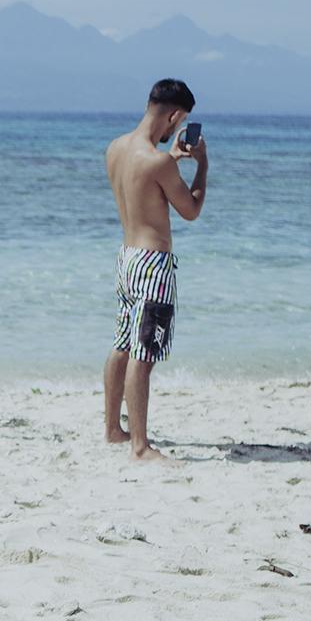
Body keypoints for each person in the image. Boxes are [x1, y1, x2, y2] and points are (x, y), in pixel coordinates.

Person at [102, 78, 208, 460]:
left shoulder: (115, 149)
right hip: (153, 264)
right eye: (178, 124)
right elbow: (191, 210)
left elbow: (142, 183)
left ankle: (114, 429)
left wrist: (171, 163)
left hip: (126, 258)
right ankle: (140, 446)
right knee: (142, 355)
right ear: (175, 115)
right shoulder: (160, 161)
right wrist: (203, 166)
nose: (174, 133)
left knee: (121, 345)